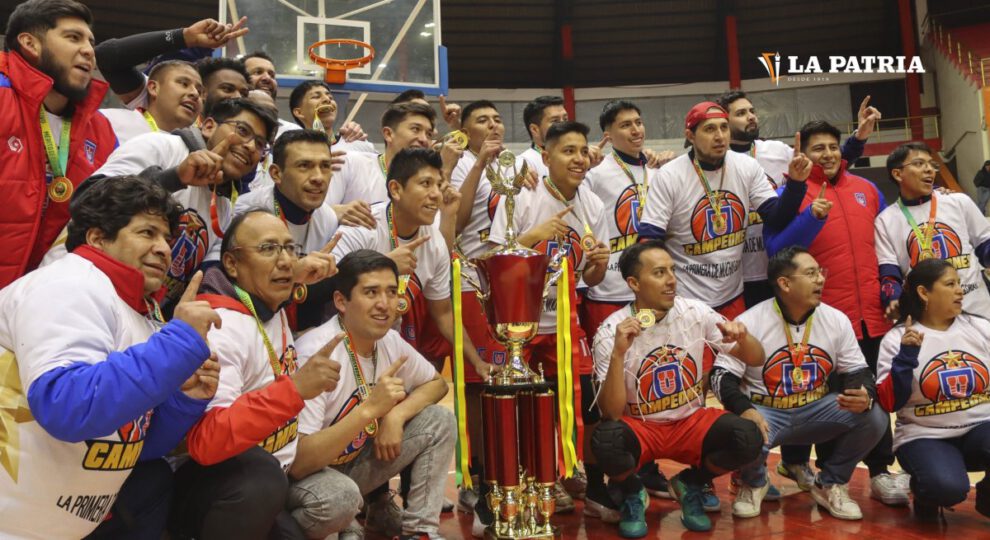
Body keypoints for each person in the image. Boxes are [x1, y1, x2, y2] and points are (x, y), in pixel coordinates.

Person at [0, 175, 220, 539]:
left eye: (167, 237)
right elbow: (67, 406)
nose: (165, 248)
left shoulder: (142, 312)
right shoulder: (69, 285)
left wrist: (183, 399)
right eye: (147, 233)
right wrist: (176, 346)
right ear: (98, 238)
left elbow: (130, 447)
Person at [169, 209, 339, 540]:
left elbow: (285, 274)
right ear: (231, 264)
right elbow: (207, 443)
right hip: (214, 486)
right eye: (268, 249)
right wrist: (294, 390)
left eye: (290, 249)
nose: (286, 261)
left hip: (267, 478)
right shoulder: (221, 326)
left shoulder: (267, 303)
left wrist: (300, 272)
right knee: (261, 479)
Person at [763, 120, 906, 504]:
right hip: (824, 320)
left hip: (873, 315)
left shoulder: (866, 189)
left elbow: (891, 234)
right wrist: (812, 217)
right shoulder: (791, 195)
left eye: (831, 147)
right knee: (829, 403)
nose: (826, 154)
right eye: (817, 148)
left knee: (871, 399)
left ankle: (880, 471)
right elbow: (776, 249)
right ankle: (830, 479)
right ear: (803, 155)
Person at [591, 241, 765, 535]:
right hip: (640, 425)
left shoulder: (695, 312)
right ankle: (633, 492)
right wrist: (620, 353)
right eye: (659, 272)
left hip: (690, 421)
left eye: (672, 270)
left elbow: (756, 358)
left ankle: (692, 483)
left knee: (748, 436)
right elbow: (611, 411)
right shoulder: (611, 330)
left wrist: (743, 338)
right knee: (606, 439)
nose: (671, 279)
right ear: (634, 283)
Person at [486, 120, 611, 521]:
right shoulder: (522, 198)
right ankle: (541, 478)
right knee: (529, 409)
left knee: (583, 405)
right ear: (545, 157)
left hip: (565, 326)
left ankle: (591, 480)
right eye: (567, 150)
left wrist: (598, 266)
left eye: (582, 150)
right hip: (520, 329)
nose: (578, 158)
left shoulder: (592, 204)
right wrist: (532, 235)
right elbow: (491, 259)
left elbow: (590, 279)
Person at [711, 246, 888, 521]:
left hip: (817, 409)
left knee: (874, 417)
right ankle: (754, 483)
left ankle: (830, 483)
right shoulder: (750, 321)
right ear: (785, 283)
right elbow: (721, 377)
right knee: (743, 428)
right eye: (811, 273)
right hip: (765, 412)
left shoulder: (836, 319)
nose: (821, 279)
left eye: (820, 273)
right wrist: (745, 409)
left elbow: (858, 369)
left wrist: (864, 393)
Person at [287, 250, 454, 540]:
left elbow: (437, 384)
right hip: (309, 478)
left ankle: (420, 531)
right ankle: (338, 522)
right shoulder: (316, 353)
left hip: (352, 466)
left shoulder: (387, 340)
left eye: (391, 292)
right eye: (371, 292)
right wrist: (370, 410)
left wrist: (397, 415)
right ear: (341, 301)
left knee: (438, 420)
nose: (384, 304)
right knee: (340, 498)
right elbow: (299, 463)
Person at [91, 97, 279, 311]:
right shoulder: (160, 146)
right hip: (91, 290)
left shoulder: (224, 206)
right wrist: (175, 178)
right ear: (208, 126)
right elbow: (89, 199)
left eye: (260, 144)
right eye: (243, 131)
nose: (250, 147)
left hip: (141, 314)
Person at [638, 101, 809, 320]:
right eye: (709, 129)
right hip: (686, 300)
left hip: (733, 296)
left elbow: (775, 218)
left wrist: (795, 185)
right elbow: (649, 240)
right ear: (690, 136)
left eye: (724, 127)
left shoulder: (746, 166)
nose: (719, 136)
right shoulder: (670, 175)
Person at [331, 148, 489, 376]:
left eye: (439, 185)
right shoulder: (363, 226)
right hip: (342, 339)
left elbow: (443, 313)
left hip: (388, 342)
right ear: (395, 189)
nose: (435, 194)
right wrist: (385, 265)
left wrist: (477, 361)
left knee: (434, 386)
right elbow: (327, 285)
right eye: (425, 184)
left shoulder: (434, 241)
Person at [717, 90, 878, 308]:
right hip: (734, 271)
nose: (752, 116)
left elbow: (827, 163)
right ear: (724, 122)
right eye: (742, 113)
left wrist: (859, 136)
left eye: (752, 111)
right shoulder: (712, 161)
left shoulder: (776, 151)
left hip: (776, 266)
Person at [0, 0, 118, 289]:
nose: (89, 50)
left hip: (35, 308)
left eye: (91, 41)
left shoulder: (101, 130)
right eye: (73, 37)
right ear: (30, 43)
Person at [876, 259, 990, 521]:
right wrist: (906, 358)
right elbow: (890, 402)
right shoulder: (897, 338)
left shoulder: (980, 327)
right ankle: (925, 491)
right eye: (950, 284)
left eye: (959, 284)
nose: (960, 291)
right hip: (925, 435)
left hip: (980, 428)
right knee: (946, 488)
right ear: (924, 292)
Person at [224, 129, 342, 331]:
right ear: (276, 174)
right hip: (241, 324)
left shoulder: (326, 217)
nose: (318, 177)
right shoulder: (246, 212)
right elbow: (222, 281)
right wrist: (292, 272)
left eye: (325, 166)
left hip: (287, 328)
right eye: (304, 166)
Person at [876, 142, 990, 321]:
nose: (929, 169)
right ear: (897, 174)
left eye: (931, 164)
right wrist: (892, 299)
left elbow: (985, 244)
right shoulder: (885, 220)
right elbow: (889, 273)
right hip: (926, 319)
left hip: (978, 311)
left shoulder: (958, 201)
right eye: (919, 163)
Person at [99, 60, 203, 144]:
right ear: (153, 88)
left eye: (200, 91)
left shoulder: (198, 153)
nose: (195, 93)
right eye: (184, 84)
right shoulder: (108, 121)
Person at [519, 95, 569, 179]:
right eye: (555, 121)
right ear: (535, 129)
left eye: (565, 119)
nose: (564, 125)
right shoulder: (524, 164)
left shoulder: (578, 159)